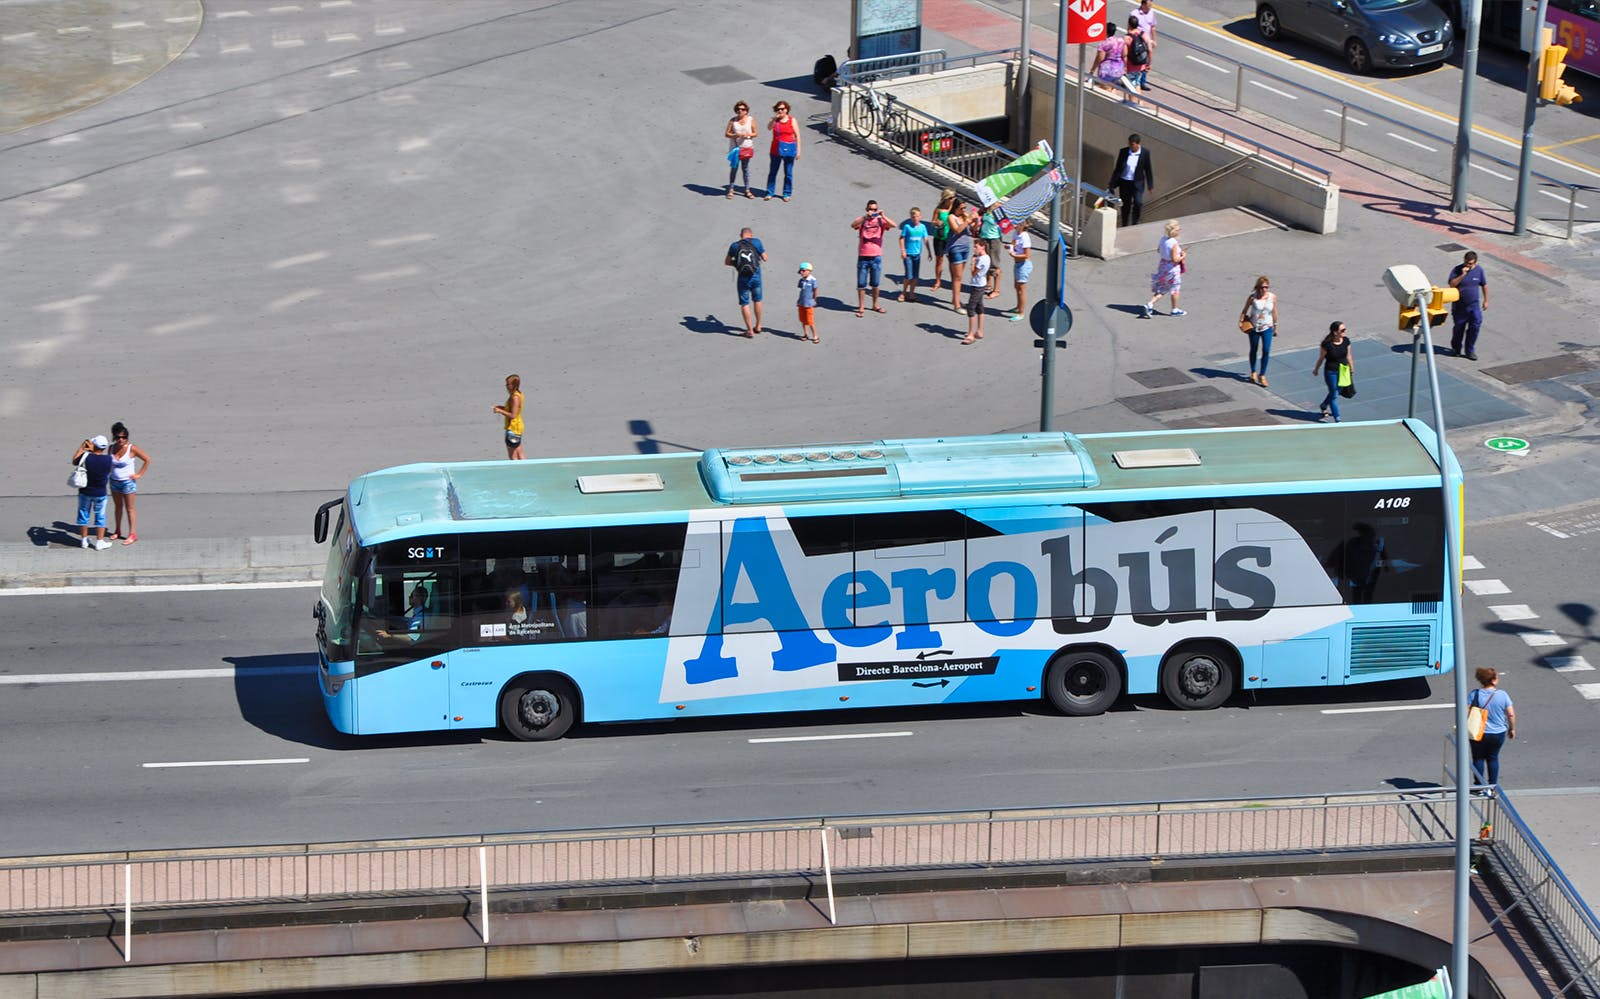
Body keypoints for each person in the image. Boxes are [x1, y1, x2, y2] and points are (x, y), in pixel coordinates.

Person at [106, 422, 153, 545]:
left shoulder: (132, 448)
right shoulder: (111, 448)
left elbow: (147, 459)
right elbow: (108, 464)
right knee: (118, 507)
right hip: (114, 482)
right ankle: (117, 530)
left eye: (124, 437)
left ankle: (132, 534)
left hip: (127, 483)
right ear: (114, 437)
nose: (121, 440)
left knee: (130, 508)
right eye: (118, 437)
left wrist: (139, 474)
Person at [1469, 666, 1516, 787]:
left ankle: (1478, 785)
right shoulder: (1502, 695)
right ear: (1493, 680)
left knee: (1478, 758)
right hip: (1497, 733)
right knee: (1493, 758)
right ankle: (1492, 786)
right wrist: (1512, 728)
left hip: (1478, 732)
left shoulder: (1475, 694)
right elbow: (1510, 714)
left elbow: (1466, 712)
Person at [71, 434, 115, 550]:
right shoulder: (108, 459)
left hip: (85, 491)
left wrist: (82, 448)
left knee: (83, 514)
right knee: (100, 516)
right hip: (100, 492)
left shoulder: (86, 457)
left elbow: (74, 461)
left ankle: (84, 540)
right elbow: (109, 471)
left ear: (93, 445)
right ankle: (99, 542)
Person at [851, 199, 895, 316]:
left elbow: (893, 225)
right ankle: (861, 307)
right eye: (871, 209)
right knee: (861, 284)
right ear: (867, 210)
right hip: (863, 256)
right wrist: (865, 217)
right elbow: (853, 225)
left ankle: (875, 304)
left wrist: (883, 216)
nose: (873, 211)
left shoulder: (880, 221)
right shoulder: (863, 220)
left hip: (876, 256)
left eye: (875, 209)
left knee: (875, 283)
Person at [725, 226, 768, 336]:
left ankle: (749, 330)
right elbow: (765, 258)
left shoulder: (735, 246)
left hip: (743, 277)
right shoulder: (757, 242)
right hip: (756, 275)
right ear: (751, 235)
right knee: (757, 300)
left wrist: (736, 263)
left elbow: (727, 262)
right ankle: (758, 326)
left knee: (745, 303)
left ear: (741, 236)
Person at [1447, 250, 1488, 361]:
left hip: (1474, 305)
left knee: (1475, 326)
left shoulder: (1479, 270)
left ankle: (1469, 351)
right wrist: (1463, 274)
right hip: (1460, 306)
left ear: (1474, 263)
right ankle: (1456, 349)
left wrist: (1486, 300)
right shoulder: (1457, 270)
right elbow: (1452, 284)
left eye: (1470, 264)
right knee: (1459, 328)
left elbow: (1484, 285)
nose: (1467, 265)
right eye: (1466, 262)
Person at [1238, 275, 1278, 387]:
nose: (1264, 289)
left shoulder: (1272, 297)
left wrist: (1276, 326)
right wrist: (1241, 321)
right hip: (1254, 327)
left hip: (1267, 327)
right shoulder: (1252, 298)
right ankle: (1253, 371)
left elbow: (1274, 312)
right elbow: (1245, 310)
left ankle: (1262, 375)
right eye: (1262, 287)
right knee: (1254, 349)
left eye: (1266, 287)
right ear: (1257, 287)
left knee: (1266, 350)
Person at [1141, 220, 1185, 318]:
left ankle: (1150, 304)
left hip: (1163, 266)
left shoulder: (1163, 239)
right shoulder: (1174, 243)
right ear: (1173, 231)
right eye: (1178, 230)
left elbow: (1158, 250)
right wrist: (1183, 256)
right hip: (1172, 269)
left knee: (1163, 288)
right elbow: (1175, 259)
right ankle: (1174, 309)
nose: (1179, 231)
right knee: (1175, 289)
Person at [1109, 134, 1154, 228]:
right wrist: (1112, 183)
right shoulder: (1124, 152)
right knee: (1126, 205)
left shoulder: (1145, 153)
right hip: (1125, 182)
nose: (1130, 146)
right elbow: (1118, 169)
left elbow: (1148, 169)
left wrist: (1150, 185)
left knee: (1138, 202)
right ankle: (1125, 224)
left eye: (1132, 144)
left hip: (1137, 183)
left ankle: (1135, 222)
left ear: (1138, 144)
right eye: (1129, 144)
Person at [1312, 321, 1353, 423]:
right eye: (1342, 330)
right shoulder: (1327, 345)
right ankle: (1337, 418)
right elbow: (1321, 358)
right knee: (1334, 394)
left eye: (1345, 329)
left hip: (1343, 370)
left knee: (1336, 392)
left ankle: (1324, 405)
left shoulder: (1346, 341)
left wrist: (1352, 368)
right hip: (1331, 371)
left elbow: (1349, 356)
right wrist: (1316, 369)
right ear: (1335, 332)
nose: (1345, 331)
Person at [764, 101, 800, 202]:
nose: (780, 111)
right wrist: (774, 119)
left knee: (788, 173)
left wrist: (798, 150)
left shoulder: (792, 120)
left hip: (789, 150)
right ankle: (769, 192)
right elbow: (768, 128)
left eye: (783, 109)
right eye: (778, 109)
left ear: (787, 109)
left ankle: (787, 193)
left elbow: (797, 136)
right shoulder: (775, 121)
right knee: (773, 172)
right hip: (775, 150)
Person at [724, 100, 758, 199]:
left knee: (745, 169)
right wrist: (735, 135)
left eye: (743, 109)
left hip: (747, 147)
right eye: (738, 109)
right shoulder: (733, 121)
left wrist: (748, 134)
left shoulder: (750, 120)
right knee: (734, 168)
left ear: (746, 111)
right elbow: (726, 133)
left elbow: (755, 133)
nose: (740, 111)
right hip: (736, 149)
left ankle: (747, 190)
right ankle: (731, 189)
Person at [944, 199, 973, 311]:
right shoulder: (951, 217)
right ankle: (957, 305)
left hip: (965, 247)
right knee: (958, 277)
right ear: (956, 208)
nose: (963, 210)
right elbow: (957, 230)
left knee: (957, 276)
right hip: (955, 248)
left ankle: (954, 299)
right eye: (961, 208)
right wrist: (967, 221)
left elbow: (972, 230)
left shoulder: (964, 216)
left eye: (964, 208)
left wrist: (974, 221)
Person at [960, 236, 990, 345]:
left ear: (982, 247)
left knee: (971, 308)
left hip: (977, 285)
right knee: (979, 306)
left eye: (976, 247)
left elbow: (973, 273)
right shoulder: (987, 257)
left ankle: (971, 334)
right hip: (981, 284)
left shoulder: (981, 260)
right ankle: (980, 331)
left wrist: (973, 262)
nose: (974, 249)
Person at [1089, 22, 1130, 96]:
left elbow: (1100, 58)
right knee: (1113, 88)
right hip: (1119, 70)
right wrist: (1125, 67)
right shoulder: (1121, 41)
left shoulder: (1104, 43)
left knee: (1105, 91)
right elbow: (1125, 55)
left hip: (1107, 71)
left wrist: (1092, 70)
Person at [930, 188, 958, 292]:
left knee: (952, 261)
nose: (953, 199)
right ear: (945, 198)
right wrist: (936, 222)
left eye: (954, 197)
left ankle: (953, 281)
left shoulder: (954, 208)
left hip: (951, 238)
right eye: (951, 198)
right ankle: (938, 281)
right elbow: (932, 222)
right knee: (939, 260)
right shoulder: (938, 209)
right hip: (939, 237)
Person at [493, 374, 525, 459]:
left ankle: (518, 471)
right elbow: (513, 410)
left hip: (513, 428)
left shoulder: (515, 397)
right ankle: (525, 470)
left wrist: (500, 411)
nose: (506, 387)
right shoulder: (518, 394)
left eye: (508, 384)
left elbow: (513, 415)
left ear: (514, 385)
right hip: (517, 427)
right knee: (519, 452)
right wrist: (502, 408)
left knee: (513, 456)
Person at [1007, 226, 1032, 322]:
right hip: (1017, 264)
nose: (1015, 225)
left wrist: (1014, 255)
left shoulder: (1025, 237)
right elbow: (1013, 245)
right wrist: (1010, 247)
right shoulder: (1015, 234)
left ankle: (1021, 313)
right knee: (1017, 287)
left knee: (1021, 290)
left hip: (1023, 265)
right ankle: (1018, 307)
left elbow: (1027, 255)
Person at [1132, 0, 1158, 91]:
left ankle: (1142, 82)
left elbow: (1153, 28)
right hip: (1137, 41)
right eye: (1148, 5)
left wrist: (1154, 40)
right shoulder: (1134, 13)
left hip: (1147, 41)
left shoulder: (1151, 13)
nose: (1150, 7)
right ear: (1143, 4)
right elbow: (1131, 27)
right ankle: (1133, 79)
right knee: (1136, 60)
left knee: (1146, 61)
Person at [978, 207, 1003, 299]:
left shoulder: (998, 211)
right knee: (986, 261)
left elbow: (1003, 224)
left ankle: (996, 290)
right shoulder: (985, 210)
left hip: (994, 239)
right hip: (985, 238)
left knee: (994, 264)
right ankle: (988, 284)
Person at [1124, 15, 1152, 98]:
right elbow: (1150, 50)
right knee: (1137, 84)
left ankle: (1133, 105)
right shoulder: (1143, 35)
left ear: (1129, 24)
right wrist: (1149, 64)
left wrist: (1124, 67)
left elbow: (1124, 55)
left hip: (1131, 67)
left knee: (1130, 88)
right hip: (1141, 66)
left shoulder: (1127, 38)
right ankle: (1140, 102)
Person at [796, 262, 819, 343]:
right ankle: (805, 334)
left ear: (809, 271)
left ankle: (815, 335)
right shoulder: (801, 280)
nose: (801, 272)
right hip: (802, 303)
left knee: (810, 321)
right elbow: (801, 290)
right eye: (800, 271)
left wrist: (814, 299)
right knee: (803, 320)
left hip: (809, 304)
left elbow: (815, 290)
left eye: (803, 270)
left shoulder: (813, 280)